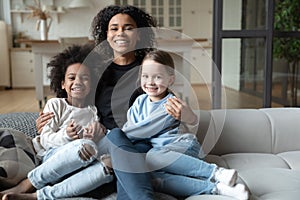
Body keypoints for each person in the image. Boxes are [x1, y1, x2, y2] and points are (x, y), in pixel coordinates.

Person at [34, 5, 197, 200]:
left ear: (138, 35)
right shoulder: (96, 73)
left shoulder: (149, 70)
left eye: (128, 28)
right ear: (106, 35)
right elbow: (75, 103)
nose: (121, 33)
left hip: (141, 144)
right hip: (106, 143)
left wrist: (189, 118)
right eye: (114, 28)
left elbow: (167, 109)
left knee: (124, 150)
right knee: (115, 150)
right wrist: (46, 124)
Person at [122, 50, 249, 200]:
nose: (150, 82)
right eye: (145, 76)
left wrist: (113, 139)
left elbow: (138, 131)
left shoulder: (172, 103)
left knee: (152, 157)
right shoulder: (139, 102)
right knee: (151, 178)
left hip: (183, 147)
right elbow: (129, 126)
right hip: (164, 155)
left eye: (158, 77)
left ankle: (216, 173)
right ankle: (217, 189)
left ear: (170, 80)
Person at [0, 44, 114, 200]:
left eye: (85, 78)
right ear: (62, 83)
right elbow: (45, 140)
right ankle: (27, 183)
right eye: (72, 78)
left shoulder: (93, 111)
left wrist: (99, 133)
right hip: (53, 160)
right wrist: (66, 135)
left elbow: (95, 146)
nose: (78, 82)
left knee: (110, 161)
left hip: (80, 166)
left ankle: (37, 197)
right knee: (84, 145)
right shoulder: (56, 104)